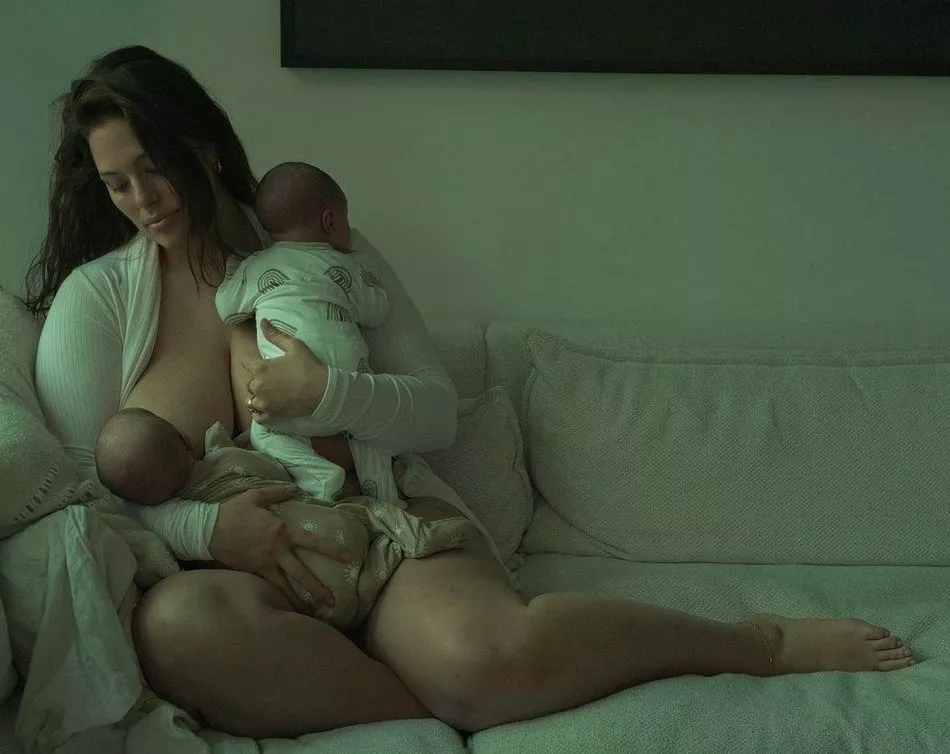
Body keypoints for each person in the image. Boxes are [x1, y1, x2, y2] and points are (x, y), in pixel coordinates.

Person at [26, 45, 915, 741]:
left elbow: (432, 408)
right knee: (176, 631)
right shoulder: (97, 303)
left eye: (154, 167)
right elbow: (79, 497)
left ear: (204, 145)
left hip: (385, 521)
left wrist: (332, 393)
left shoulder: (316, 248)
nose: (142, 199)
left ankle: (757, 644)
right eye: (116, 183)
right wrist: (205, 529)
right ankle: (443, 702)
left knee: (489, 658)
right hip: (241, 577)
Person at [94, 406, 474, 629]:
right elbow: (276, 474)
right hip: (341, 531)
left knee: (356, 588)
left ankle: (375, 574)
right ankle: (410, 536)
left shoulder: (184, 549)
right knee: (365, 509)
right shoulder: (227, 458)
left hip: (317, 603)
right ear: (183, 437)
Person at [216, 161, 401, 504]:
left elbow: (227, 309)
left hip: (289, 402)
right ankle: (385, 496)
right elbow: (377, 311)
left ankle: (319, 475)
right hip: (348, 389)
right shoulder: (346, 265)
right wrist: (371, 281)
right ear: (330, 221)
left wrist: (233, 273)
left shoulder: (257, 267)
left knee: (264, 434)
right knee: (371, 434)